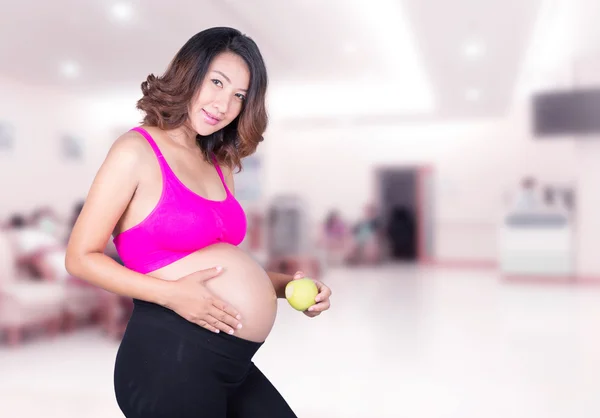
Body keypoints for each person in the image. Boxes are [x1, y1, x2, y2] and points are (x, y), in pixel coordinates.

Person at [65, 27, 332, 418]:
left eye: (239, 95)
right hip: (169, 358)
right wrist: (171, 295)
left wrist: (283, 286)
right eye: (217, 82)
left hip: (229, 361)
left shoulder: (220, 161)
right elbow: (80, 257)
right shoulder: (136, 150)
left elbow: (217, 265)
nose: (223, 104)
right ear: (190, 73)